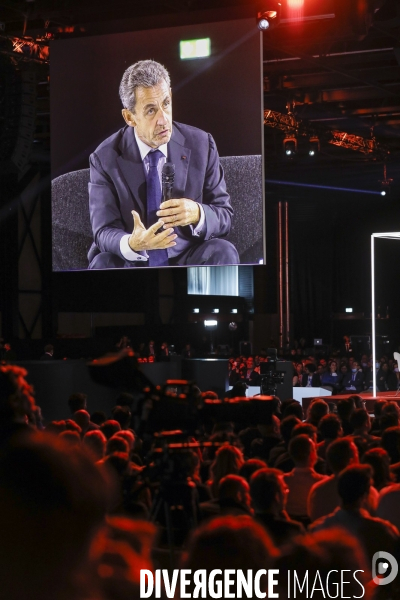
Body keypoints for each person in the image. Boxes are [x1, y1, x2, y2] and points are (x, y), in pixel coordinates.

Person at [87, 59, 238, 269]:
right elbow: (103, 231)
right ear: (130, 117)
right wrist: (132, 243)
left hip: (187, 254)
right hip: (134, 260)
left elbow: (224, 215)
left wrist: (197, 213)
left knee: (223, 251)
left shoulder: (201, 144)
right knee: (103, 263)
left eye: (166, 104)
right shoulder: (105, 158)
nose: (163, 119)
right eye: (150, 110)